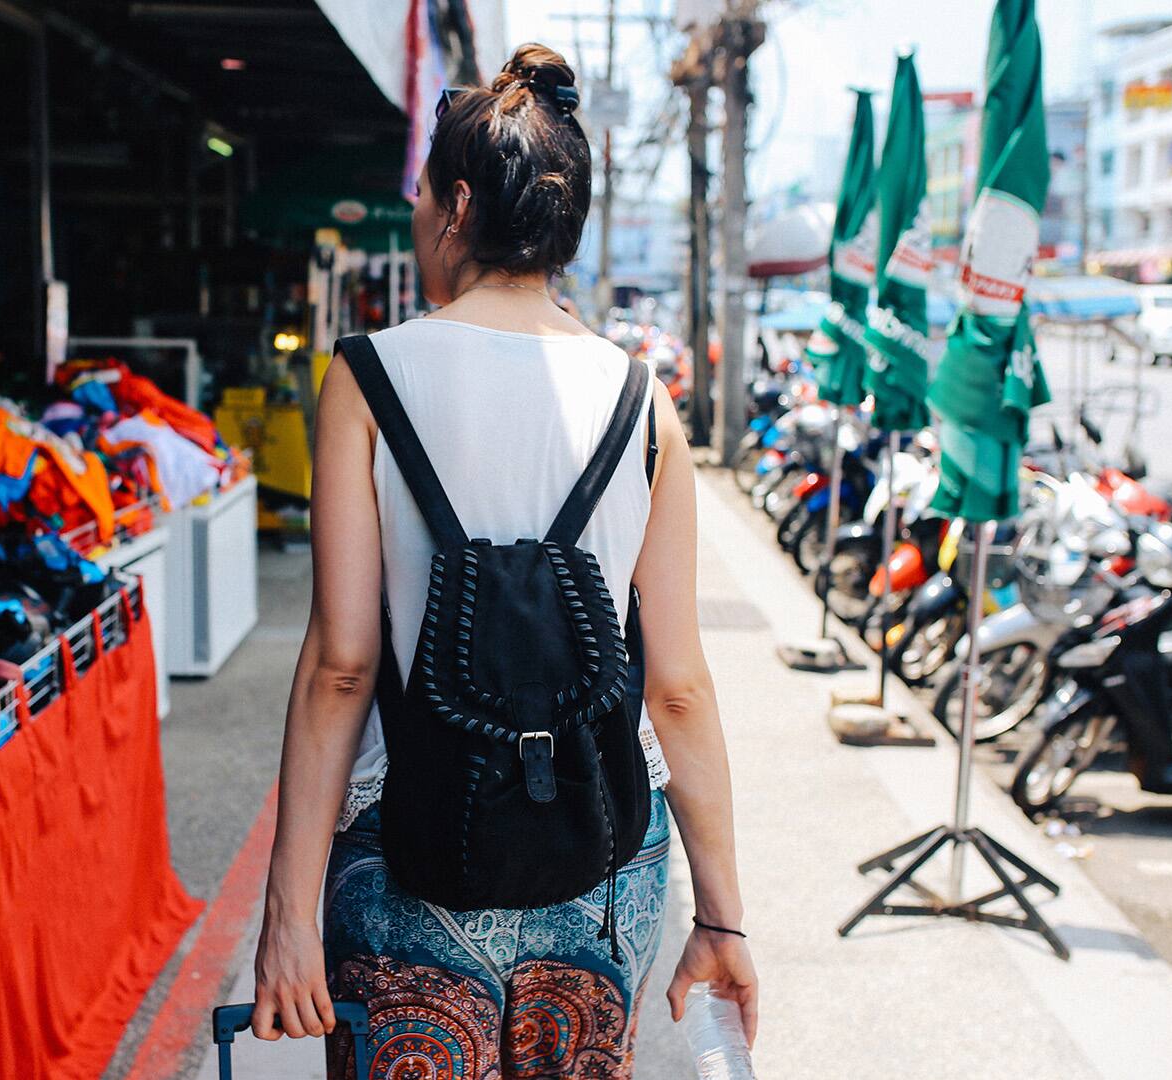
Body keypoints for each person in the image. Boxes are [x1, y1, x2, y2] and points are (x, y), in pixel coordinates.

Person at [250, 44, 756, 1077]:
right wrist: (725, 920)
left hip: (405, 858)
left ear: (460, 203)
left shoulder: (368, 380)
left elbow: (342, 665)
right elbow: (679, 689)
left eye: (424, 191)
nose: (421, 211)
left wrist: (288, 914)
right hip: (606, 856)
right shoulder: (642, 401)